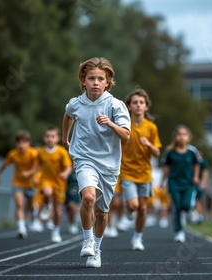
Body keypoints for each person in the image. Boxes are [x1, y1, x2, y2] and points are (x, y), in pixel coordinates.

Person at [62, 57, 131, 268]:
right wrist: (66, 138)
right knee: (88, 198)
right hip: (84, 159)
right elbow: (68, 115)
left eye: (100, 79)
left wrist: (110, 123)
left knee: (102, 213)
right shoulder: (76, 104)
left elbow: (126, 136)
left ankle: (97, 249)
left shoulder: (115, 105)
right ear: (83, 81)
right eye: (91, 78)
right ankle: (87, 239)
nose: (95, 82)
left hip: (109, 165)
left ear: (107, 82)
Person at [119, 87, 162, 251]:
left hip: (145, 173)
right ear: (129, 106)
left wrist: (149, 144)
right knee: (133, 206)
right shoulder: (124, 125)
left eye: (141, 103)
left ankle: (137, 237)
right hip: (127, 171)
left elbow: (157, 152)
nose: (138, 105)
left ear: (146, 106)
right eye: (135, 103)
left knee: (143, 208)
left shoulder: (151, 128)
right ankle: (128, 208)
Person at [0, 130, 38, 239]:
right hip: (17, 183)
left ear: (29, 143)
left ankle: (33, 215)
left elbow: (37, 167)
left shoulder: (33, 153)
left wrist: (30, 174)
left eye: (24, 142)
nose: (22, 145)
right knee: (19, 205)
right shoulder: (13, 154)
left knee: (31, 206)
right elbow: (4, 165)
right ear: (16, 144)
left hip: (30, 184)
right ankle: (21, 228)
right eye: (19, 142)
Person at [161, 125, 200, 243]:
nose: (181, 137)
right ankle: (179, 231)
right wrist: (162, 182)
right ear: (175, 137)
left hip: (188, 183)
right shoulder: (170, 152)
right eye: (179, 134)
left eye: (184, 134)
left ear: (189, 137)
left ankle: (191, 210)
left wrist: (196, 176)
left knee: (186, 205)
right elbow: (166, 168)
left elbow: (196, 165)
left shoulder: (192, 151)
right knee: (177, 207)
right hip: (174, 183)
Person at [37, 125, 73, 243]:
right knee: (47, 192)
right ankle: (47, 206)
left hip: (59, 183)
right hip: (46, 180)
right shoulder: (41, 152)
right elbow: (37, 166)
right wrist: (33, 176)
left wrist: (65, 173)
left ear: (57, 138)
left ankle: (56, 231)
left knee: (58, 210)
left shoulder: (62, 152)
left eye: (52, 136)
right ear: (44, 138)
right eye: (47, 136)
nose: (49, 139)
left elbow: (68, 166)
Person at [190, 150, 208, 224]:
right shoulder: (191, 159)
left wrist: (203, 182)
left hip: (198, 183)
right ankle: (195, 215)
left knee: (198, 200)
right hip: (190, 182)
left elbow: (205, 172)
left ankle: (199, 215)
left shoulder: (202, 161)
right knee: (192, 200)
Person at [65, 167, 81, 235]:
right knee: (68, 209)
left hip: (75, 191)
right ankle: (71, 221)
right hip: (64, 190)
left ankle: (73, 223)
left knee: (72, 206)